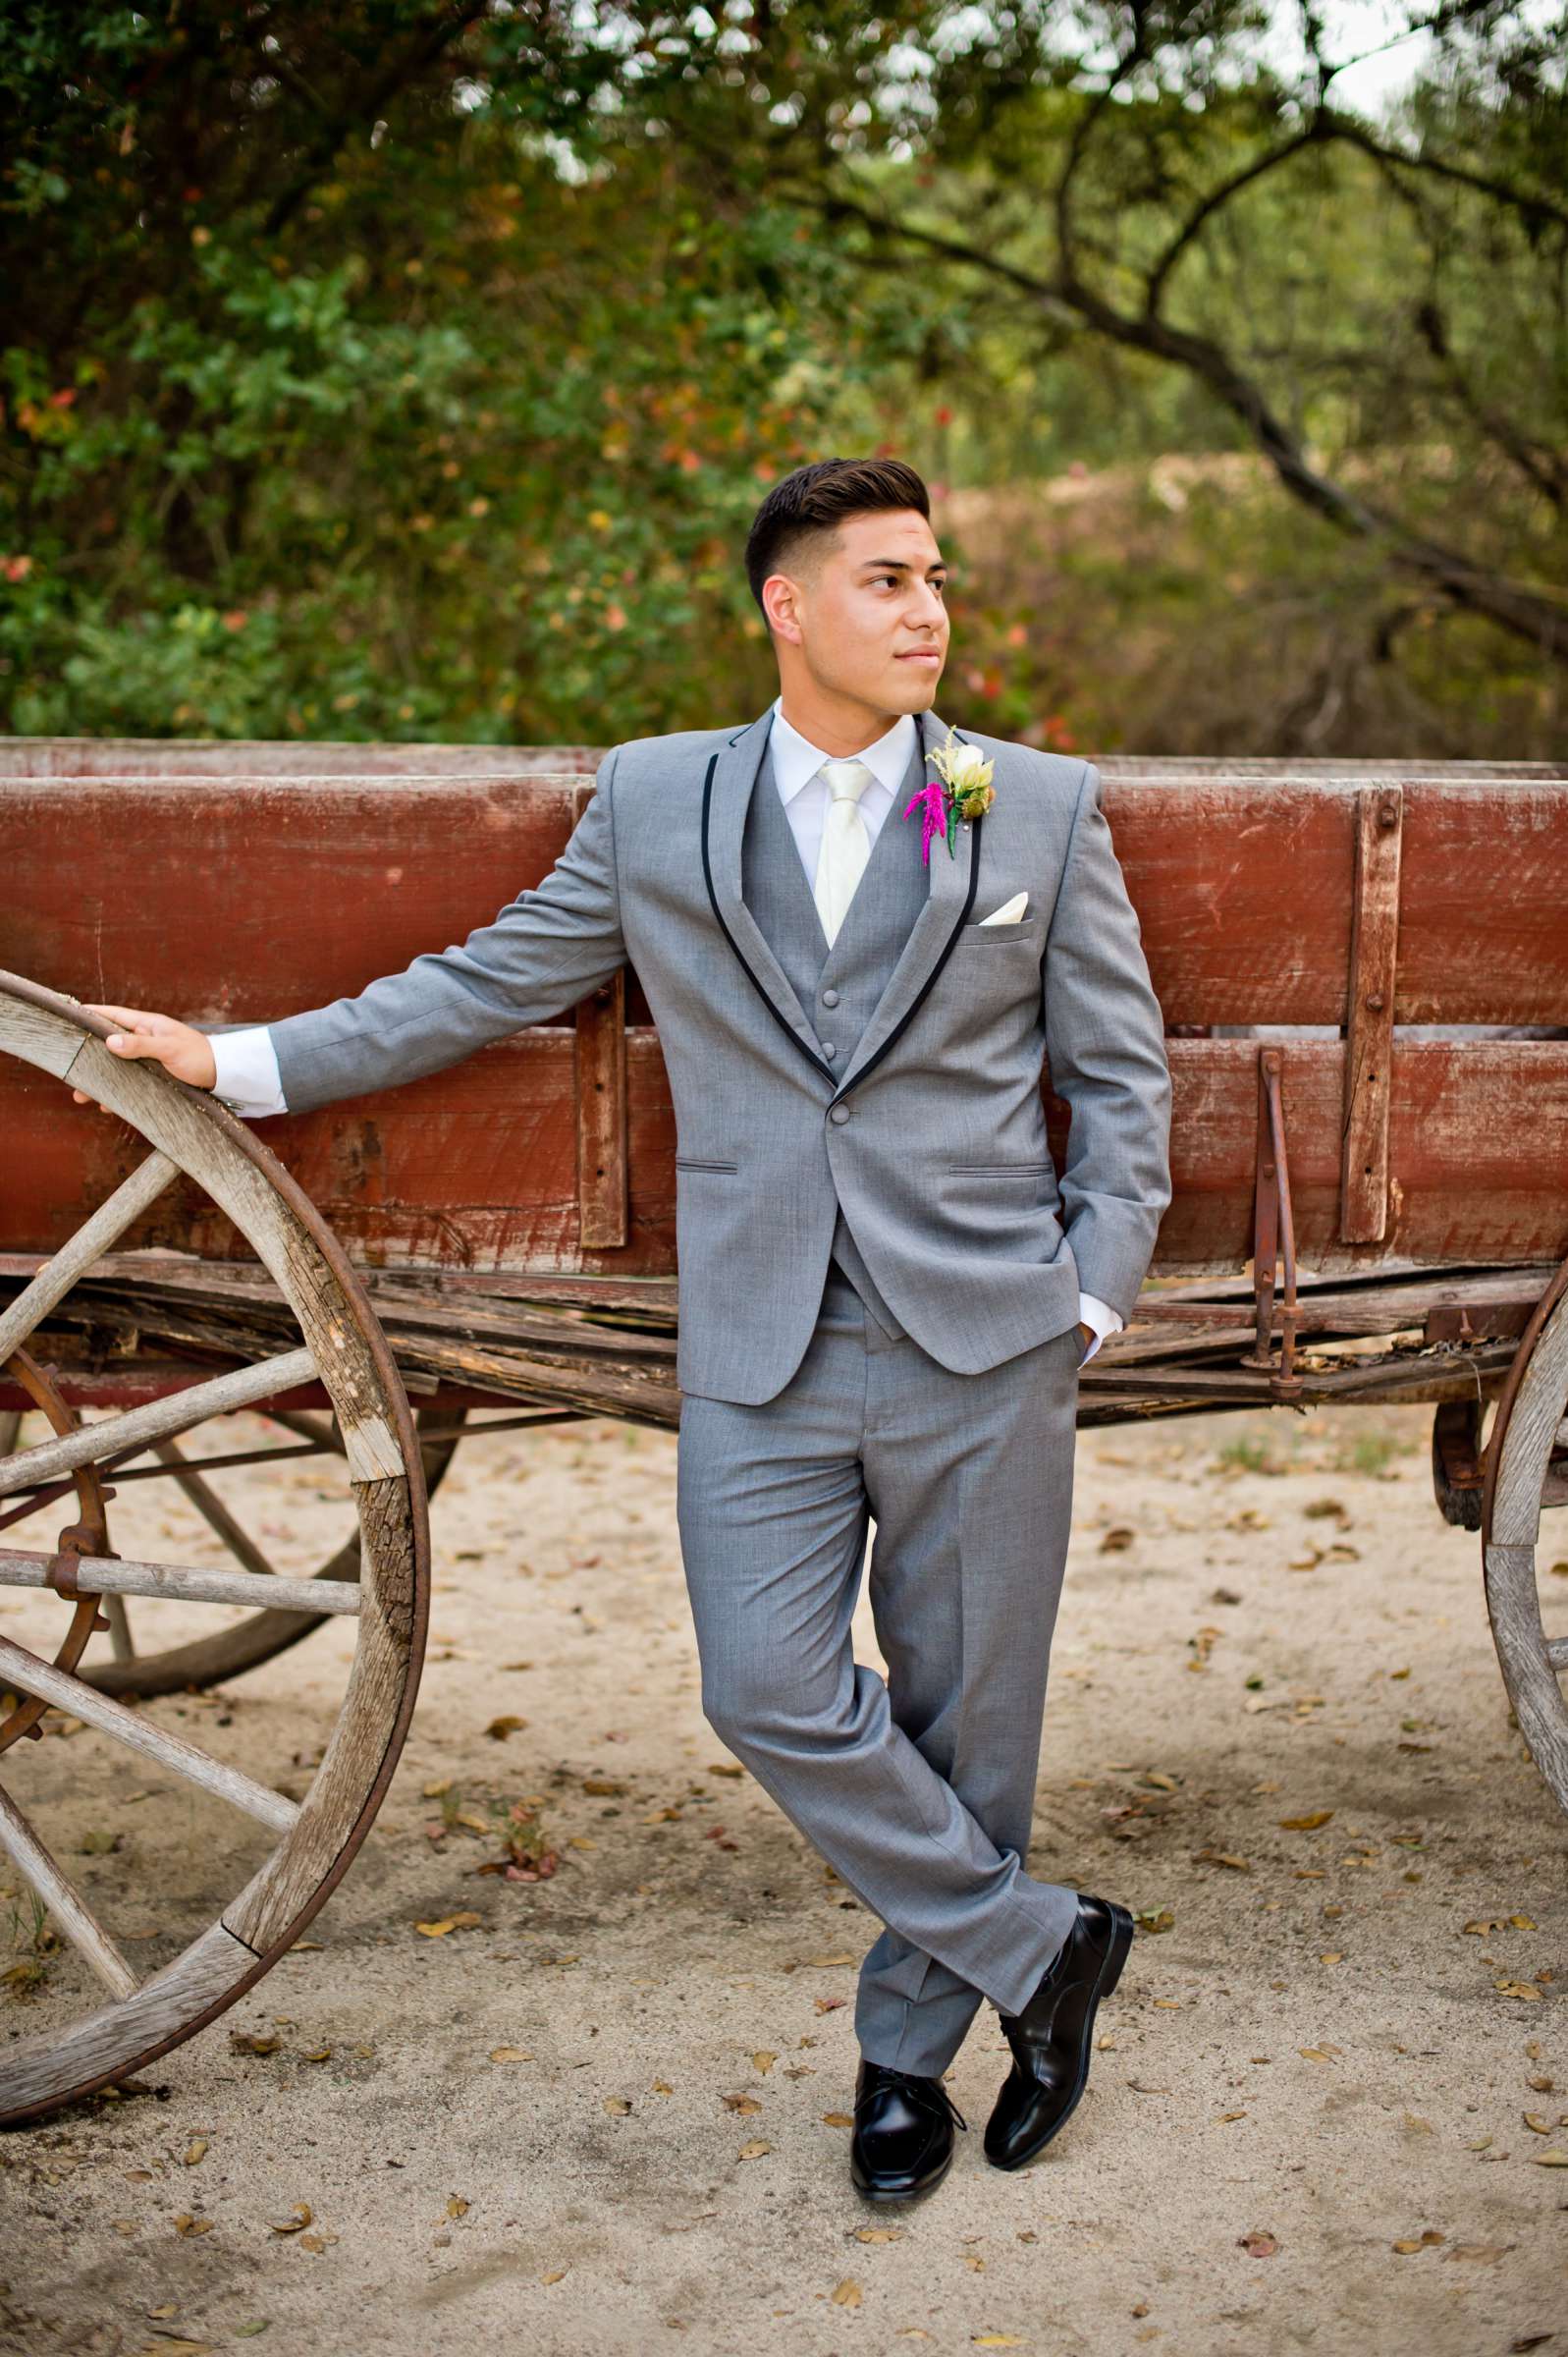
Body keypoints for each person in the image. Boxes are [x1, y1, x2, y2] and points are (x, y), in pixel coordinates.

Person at [75, 455, 1172, 2204]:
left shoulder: (1022, 803)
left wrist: (1088, 1290)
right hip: (758, 1338)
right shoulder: (661, 802)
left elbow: (1117, 1073)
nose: (927, 611)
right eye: (885, 580)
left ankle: (907, 2059)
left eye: (936, 579)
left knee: (976, 1723)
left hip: (985, 1332)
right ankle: (1042, 1951)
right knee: (764, 1687)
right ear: (785, 607)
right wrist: (246, 1059)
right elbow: (490, 976)